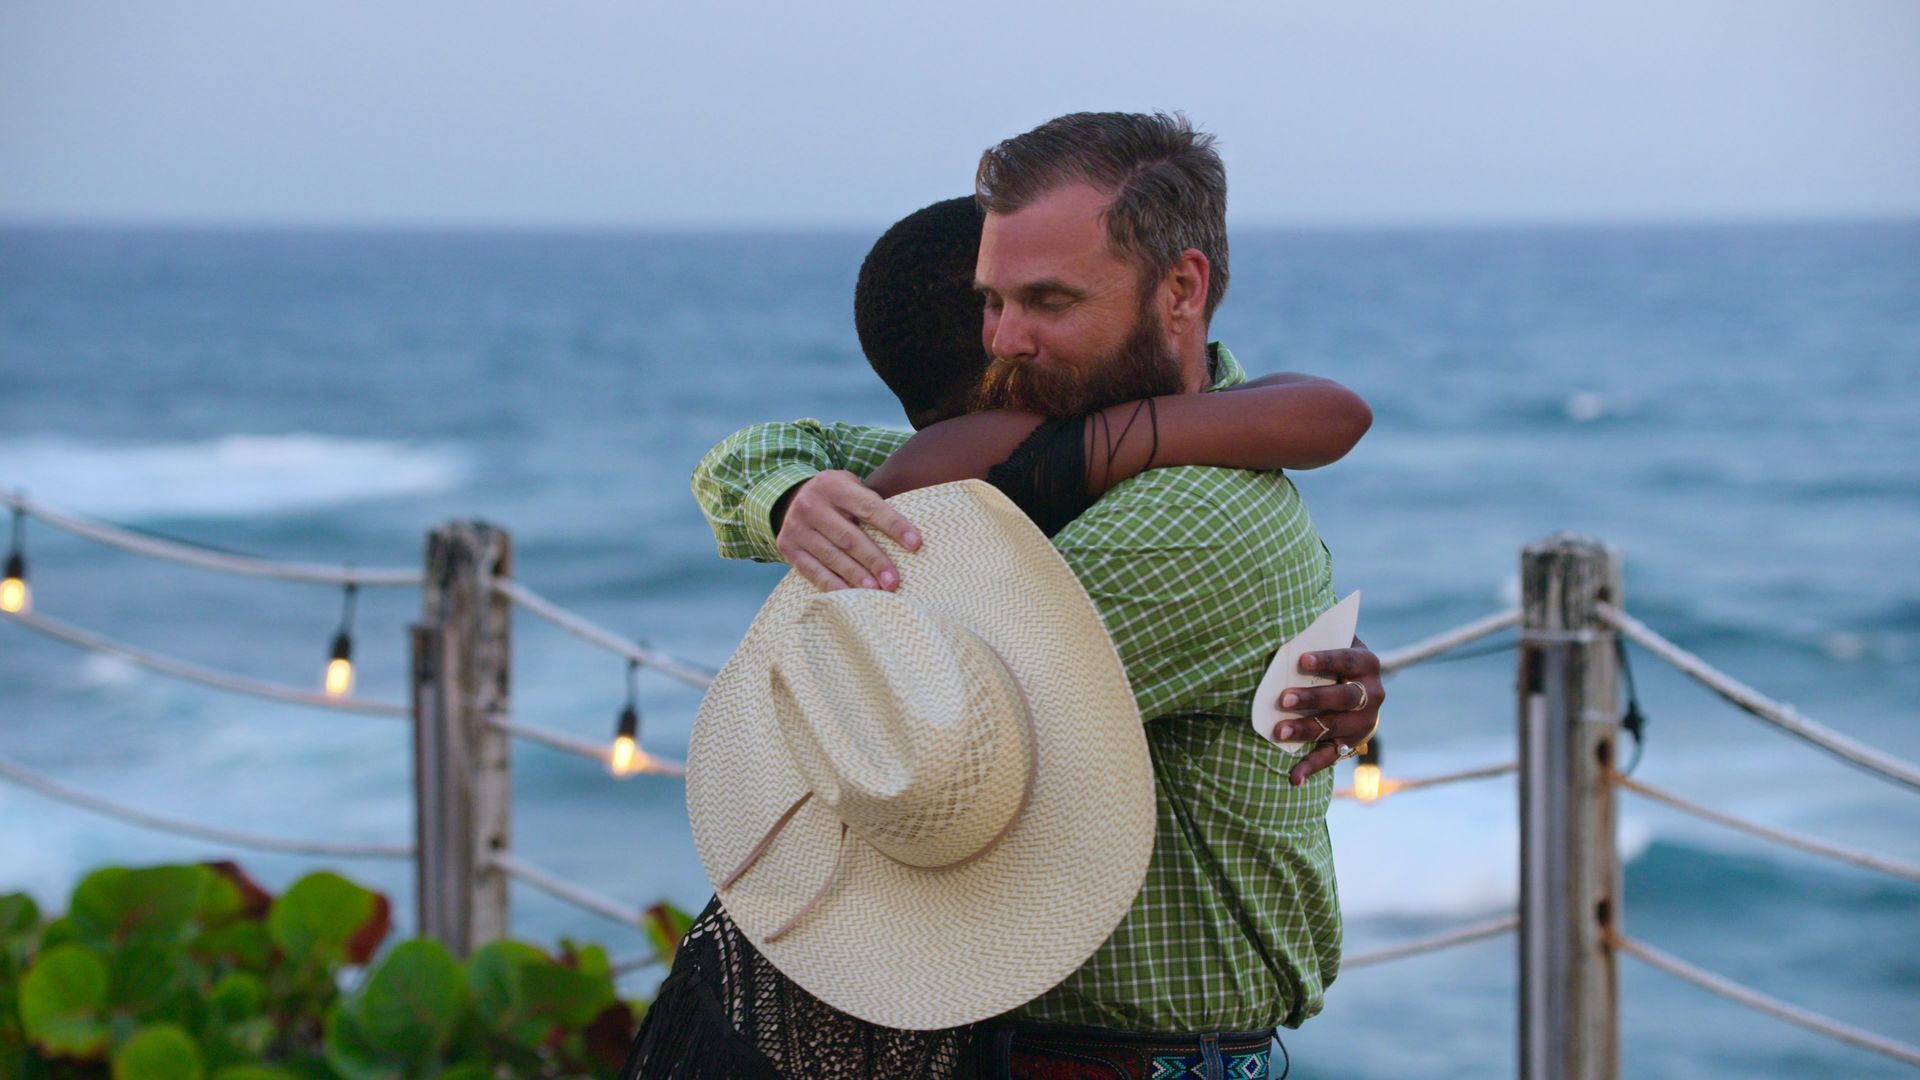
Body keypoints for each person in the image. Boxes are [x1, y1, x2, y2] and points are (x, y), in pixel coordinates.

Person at [682, 113, 1389, 1079]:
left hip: (1124, 1057)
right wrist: (795, 500)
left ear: (1181, 289)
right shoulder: (1046, 444)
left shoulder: (1195, 515)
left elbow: (911, 724)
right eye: (993, 300)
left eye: (1048, 300)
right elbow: (759, 452)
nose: (1007, 339)